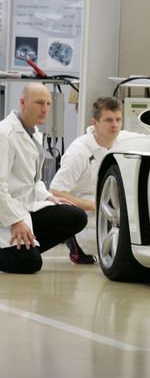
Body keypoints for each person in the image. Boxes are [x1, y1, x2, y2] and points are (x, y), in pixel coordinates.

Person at [0, 82, 87, 273]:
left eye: (48, 103)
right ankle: (22, 248)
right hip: (6, 212)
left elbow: (34, 180)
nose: (45, 109)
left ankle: (29, 246)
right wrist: (15, 221)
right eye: (39, 103)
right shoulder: (5, 134)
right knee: (30, 264)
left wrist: (48, 197)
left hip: (25, 207)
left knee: (76, 216)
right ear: (22, 103)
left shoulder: (34, 133)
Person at [50, 96, 140, 264]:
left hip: (112, 203)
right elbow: (55, 191)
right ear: (95, 122)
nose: (114, 125)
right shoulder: (79, 152)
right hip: (86, 207)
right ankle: (75, 242)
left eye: (118, 119)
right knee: (95, 242)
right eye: (108, 120)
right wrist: (95, 206)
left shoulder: (125, 140)